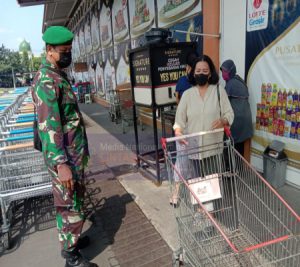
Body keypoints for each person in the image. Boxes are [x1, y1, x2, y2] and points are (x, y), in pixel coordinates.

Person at [31, 26, 97, 267]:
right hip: (65, 158)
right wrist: (61, 165)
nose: (68, 55)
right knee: (69, 204)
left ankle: (73, 240)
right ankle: (71, 257)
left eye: (70, 50)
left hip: (73, 154)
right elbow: (49, 128)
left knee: (74, 200)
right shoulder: (47, 80)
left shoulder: (57, 74)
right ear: (49, 50)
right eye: (63, 51)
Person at [170, 55, 234, 207]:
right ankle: (201, 211)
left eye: (205, 70)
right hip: (193, 149)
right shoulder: (187, 95)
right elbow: (179, 120)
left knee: (211, 183)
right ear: (193, 73)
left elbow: (229, 113)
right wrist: (178, 132)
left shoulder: (219, 91)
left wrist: (224, 121)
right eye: (198, 70)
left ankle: (209, 212)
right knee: (197, 183)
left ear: (210, 73)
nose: (201, 73)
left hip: (213, 147)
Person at [220, 59, 253, 160]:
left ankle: (230, 173)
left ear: (231, 71)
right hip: (246, 121)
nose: (223, 74)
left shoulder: (231, 84)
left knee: (230, 149)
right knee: (239, 150)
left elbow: (223, 104)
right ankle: (237, 171)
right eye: (222, 71)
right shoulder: (240, 81)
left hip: (237, 121)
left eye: (225, 71)